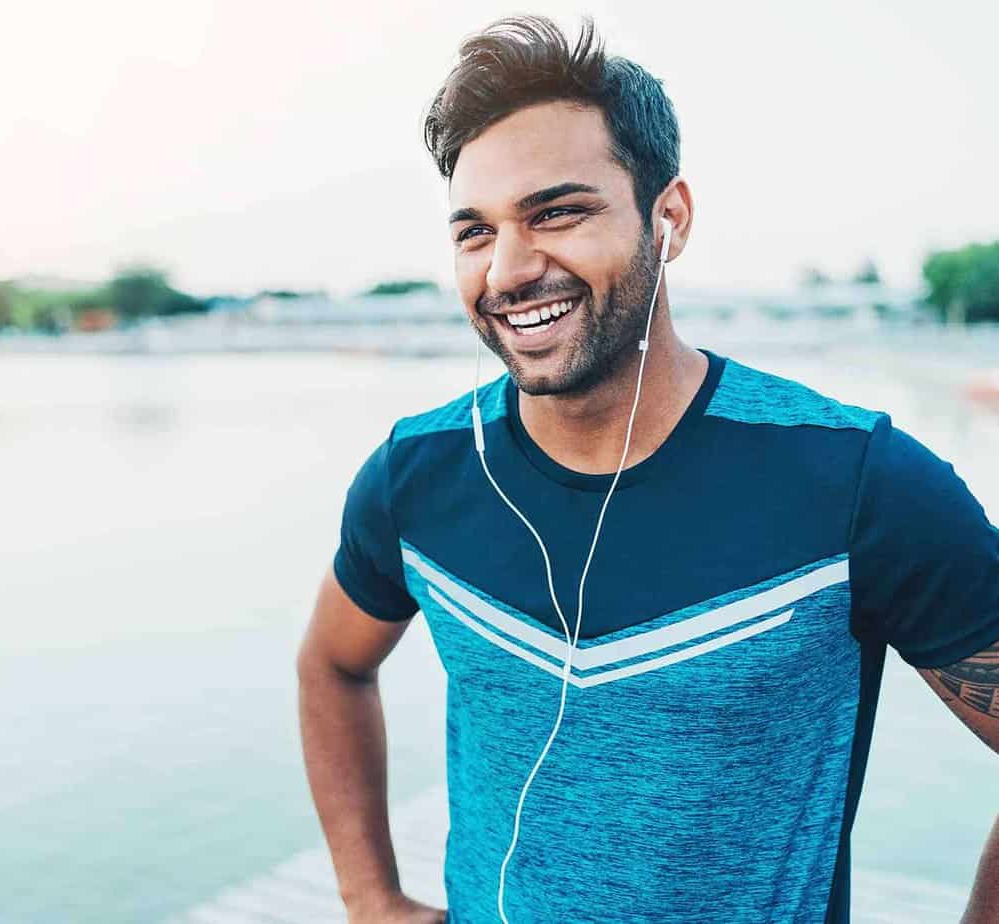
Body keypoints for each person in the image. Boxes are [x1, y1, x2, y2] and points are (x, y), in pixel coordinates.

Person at [294, 14, 999, 924]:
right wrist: (368, 897)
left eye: (557, 212)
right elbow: (332, 666)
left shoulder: (854, 479)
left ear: (669, 219)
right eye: (475, 231)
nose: (508, 269)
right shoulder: (417, 474)